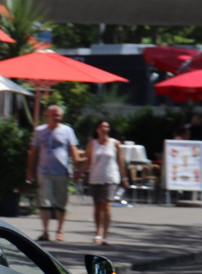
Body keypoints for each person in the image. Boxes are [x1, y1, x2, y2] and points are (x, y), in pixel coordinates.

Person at [26, 104, 81, 242]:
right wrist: (30, 170)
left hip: (62, 171)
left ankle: (60, 230)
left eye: (59, 115)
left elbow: (73, 150)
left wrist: (77, 169)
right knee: (45, 202)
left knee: (61, 203)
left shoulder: (67, 131)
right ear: (47, 115)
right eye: (54, 114)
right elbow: (33, 151)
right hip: (44, 171)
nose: (56, 117)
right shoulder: (40, 131)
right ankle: (45, 231)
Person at [84, 119, 127, 244]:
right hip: (96, 177)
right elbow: (87, 161)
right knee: (97, 206)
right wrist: (79, 172)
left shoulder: (115, 143)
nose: (104, 129)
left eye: (107, 127)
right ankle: (98, 232)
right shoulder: (92, 143)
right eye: (102, 127)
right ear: (97, 129)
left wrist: (124, 178)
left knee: (106, 205)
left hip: (111, 177)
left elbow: (120, 162)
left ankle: (105, 235)